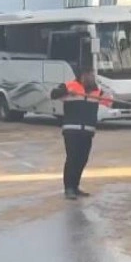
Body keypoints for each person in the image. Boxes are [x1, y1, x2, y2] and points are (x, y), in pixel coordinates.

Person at [50, 67, 113, 200]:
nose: (91, 77)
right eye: (88, 74)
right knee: (72, 159)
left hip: (87, 132)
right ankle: (69, 188)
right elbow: (53, 94)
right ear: (82, 75)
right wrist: (66, 91)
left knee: (82, 159)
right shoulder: (70, 86)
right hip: (71, 130)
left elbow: (110, 103)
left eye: (92, 75)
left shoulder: (97, 91)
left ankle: (76, 186)